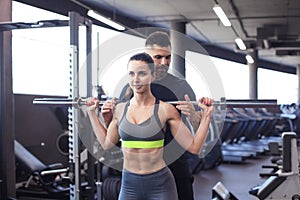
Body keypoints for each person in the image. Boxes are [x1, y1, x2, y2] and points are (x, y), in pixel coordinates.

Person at [86, 52, 214, 200]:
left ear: (153, 76)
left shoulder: (165, 110)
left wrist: (207, 115)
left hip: (160, 185)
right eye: (131, 74)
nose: (136, 79)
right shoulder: (120, 110)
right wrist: (92, 114)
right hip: (129, 185)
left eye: (142, 74)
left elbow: (194, 147)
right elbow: (106, 143)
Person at [118, 31, 200, 200]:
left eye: (168, 57)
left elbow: (198, 129)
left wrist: (194, 117)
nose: (164, 63)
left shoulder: (181, 86)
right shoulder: (129, 89)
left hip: (176, 163)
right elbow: (119, 124)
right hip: (139, 169)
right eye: (158, 57)